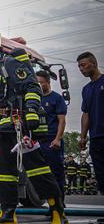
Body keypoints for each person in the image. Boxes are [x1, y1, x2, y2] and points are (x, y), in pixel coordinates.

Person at [0, 32, 67, 224]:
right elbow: (3, 97)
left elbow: (32, 87)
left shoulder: (9, 64)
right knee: (4, 172)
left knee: (37, 169)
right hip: (4, 128)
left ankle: (58, 213)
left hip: (20, 127)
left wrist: (30, 111)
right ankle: (7, 214)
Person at [34, 70, 67, 198]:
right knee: (43, 175)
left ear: (48, 82)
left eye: (41, 82)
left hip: (52, 142)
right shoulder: (35, 99)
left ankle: (59, 205)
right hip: (38, 142)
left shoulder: (57, 98)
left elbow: (62, 121)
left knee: (55, 174)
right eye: (36, 83)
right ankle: (51, 205)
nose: (39, 85)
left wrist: (57, 139)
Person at [77, 51, 104, 194]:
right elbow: (85, 113)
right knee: (100, 174)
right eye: (79, 67)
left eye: (83, 65)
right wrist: (83, 136)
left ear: (93, 63)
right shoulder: (86, 89)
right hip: (95, 138)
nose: (81, 69)